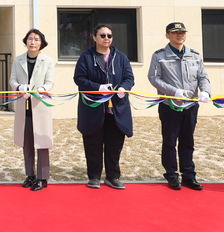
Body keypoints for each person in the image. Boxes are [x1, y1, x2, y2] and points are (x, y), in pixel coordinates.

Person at [148, 21, 211, 190]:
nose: (179, 35)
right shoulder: (159, 56)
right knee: (170, 141)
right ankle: (172, 175)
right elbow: (154, 78)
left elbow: (203, 77)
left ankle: (189, 175)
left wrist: (205, 91)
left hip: (190, 105)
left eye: (182, 32)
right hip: (170, 105)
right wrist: (174, 91)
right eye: (175, 32)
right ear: (167, 35)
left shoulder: (195, 55)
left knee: (188, 141)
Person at [73, 24, 134, 190]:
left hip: (116, 110)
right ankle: (94, 176)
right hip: (93, 109)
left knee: (114, 145)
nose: (106, 38)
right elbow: (79, 78)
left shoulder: (121, 57)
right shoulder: (86, 57)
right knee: (93, 143)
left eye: (109, 35)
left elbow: (129, 77)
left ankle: (113, 176)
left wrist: (124, 88)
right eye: (102, 35)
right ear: (94, 38)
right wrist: (97, 87)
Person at [9, 28, 55, 192]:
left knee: (42, 143)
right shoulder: (18, 60)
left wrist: (41, 88)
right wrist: (19, 86)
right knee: (26, 142)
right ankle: (30, 175)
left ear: (41, 43)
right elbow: (12, 80)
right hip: (24, 106)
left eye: (36, 39)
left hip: (40, 105)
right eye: (30, 39)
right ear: (26, 41)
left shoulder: (47, 61)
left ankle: (43, 177)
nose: (33, 42)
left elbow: (50, 82)